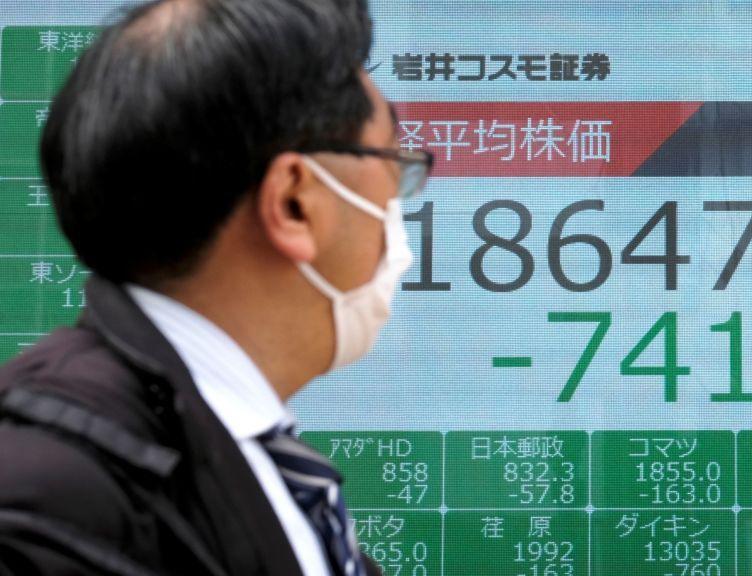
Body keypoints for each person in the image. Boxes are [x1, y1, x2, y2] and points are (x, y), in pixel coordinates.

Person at [0, 0, 432, 574]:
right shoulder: (53, 494)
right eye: (392, 164)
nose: (396, 208)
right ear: (294, 202)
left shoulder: (252, 461)